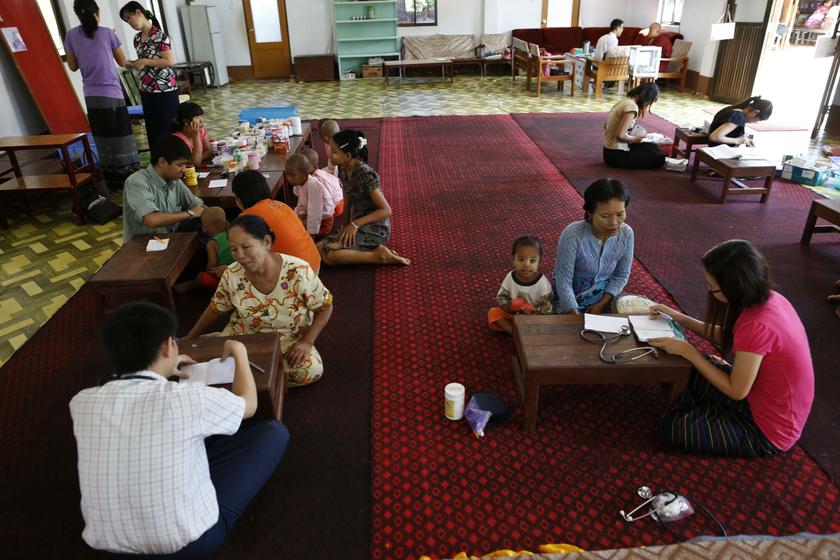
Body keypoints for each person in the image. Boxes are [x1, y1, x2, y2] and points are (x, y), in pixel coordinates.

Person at [70, 301, 288, 557]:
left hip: (110, 547)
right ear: (167, 346)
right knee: (273, 432)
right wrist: (239, 351)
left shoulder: (81, 401)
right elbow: (248, 405)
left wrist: (162, 370)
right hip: (191, 546)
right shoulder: (187, 398)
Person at [650, 240, 815, 457]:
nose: (709, 291)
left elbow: (737, 391)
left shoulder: (759, 325)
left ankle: (703, 409)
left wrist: (688, 350)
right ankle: (701, 406)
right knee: (678, 367)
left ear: (733, 288)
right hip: (756, 391)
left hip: (767, 429)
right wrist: (678, 317)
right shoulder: (770, 299)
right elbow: (731, 337)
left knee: (672, 427)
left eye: (711, 287)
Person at [186, 215, 333, 387]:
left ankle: (248, 378)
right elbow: (216, 308)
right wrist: (191, 336)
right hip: (244, 335)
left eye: (246, 247)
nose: (239, 256)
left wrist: (307, 342)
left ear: (266, 242)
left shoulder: (298, 271)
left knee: (309, 371)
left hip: (288, 338)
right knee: (204, 367)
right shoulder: (231, 274)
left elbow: (325, 307)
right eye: (234, 249)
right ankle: (257, 378)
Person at [64, 0, 139, 190]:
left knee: (103, 136)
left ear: (77, 15)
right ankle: (128, 178)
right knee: (120, 135)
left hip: (91, 96)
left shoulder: (71, 35)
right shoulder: (107, 33)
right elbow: (122, 62)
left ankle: (110, 179)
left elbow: (73, 66)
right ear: (97, 12)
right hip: (112, 94)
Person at [317, 129, 410, 266]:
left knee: (329, 256)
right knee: (318, 248)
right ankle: (373, 251)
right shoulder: (343, 168)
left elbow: (386, 210)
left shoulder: (364, 174)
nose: (330, 155)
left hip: (375, 229)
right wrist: (345, 227)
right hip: (359, 224)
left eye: (334, 152)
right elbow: (347, 200)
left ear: (348, 156)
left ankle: (379, 256)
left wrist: (355, 225)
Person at [553, 178, 634, 314]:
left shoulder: (626, 234)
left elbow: (621, 275)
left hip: (602, 295)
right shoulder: (573, 234)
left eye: (620, 214)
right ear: (590, 214)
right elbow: (563, 280)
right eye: (605, 216)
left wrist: (601, 304)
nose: (614, 223)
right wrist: (573, 314)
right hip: (570, 295)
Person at [231, 170, 322, 272]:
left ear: (239, 199)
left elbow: (245, 255)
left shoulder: (245, 219)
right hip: (314, 263)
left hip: (296, 277)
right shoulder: (280, 205)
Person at [122, 134, 205, 241]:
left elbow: (198, 206)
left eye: (185, 165)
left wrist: (214, 216)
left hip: (168, 237)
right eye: (180, 165)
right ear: (162, 162)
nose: (184, 170)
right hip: (144, 245)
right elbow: (152, 220)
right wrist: (190, 214)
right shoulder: (136, 182)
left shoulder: (174, 180)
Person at [120, 1, 179, 148]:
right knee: (153, 129)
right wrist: (133, 63)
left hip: (164, 89)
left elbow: (168, 61)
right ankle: (159, 164)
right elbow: (145, 61)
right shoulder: (137, 39)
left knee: (168, 128)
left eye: (129, 18)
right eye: (126, 20)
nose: (129, 22)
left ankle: (174, 162)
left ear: (138, 13)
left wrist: (145, 61)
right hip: (147, 89)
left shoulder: (159, 35)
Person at [487, 236, 553, 334]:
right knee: (493, 312)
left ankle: (518, 331)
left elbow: (547, 307)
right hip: (515, 313)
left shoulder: (543, 283)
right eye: (521, 259)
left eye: (532, 261)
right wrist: (510, 307)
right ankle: (515, 333)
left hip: (534, 316)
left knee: (549, 322)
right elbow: (502, 297)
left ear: (539, 261)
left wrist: (531, 317)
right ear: (513, 259)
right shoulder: (510, 277)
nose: (526, 264)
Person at [603, 82, 665, 169]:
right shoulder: (632, 107)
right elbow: (620, 135)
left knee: (652, 147)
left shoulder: (625, 101)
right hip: (615, 155)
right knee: (658, 158)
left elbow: (606, 126)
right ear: (647, 99)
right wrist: (637, 139)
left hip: (608, 150)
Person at [174, 207, 233, 293]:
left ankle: (191, 285)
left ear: (204, 228)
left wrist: (208, 269)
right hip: (242, 275)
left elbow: (211, 267)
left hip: (226, 280)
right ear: (227, 223)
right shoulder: (234, 234)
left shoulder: (212, 243)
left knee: (201, 277)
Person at [286, 153, 344, 237]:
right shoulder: (299, 182)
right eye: (287, 174)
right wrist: (301, 213)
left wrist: (310, 233)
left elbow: (315, 211)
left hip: (324, 216)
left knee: (311, 234)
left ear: (305, 174)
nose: (289, 178)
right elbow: (302, 201)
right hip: (314, 211)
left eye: (292, 175)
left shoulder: (314, 185)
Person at [708, 96, 773, 147]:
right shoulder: (738, 116)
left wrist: (745, 140)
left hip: (716, 149)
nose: (755, 122)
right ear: (755, 112)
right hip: (719, 152)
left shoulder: (734, 110)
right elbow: (715, 137)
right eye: (758, 120)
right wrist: (738, 140)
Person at [172, 101, 211, 167]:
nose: (201, 121)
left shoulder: (200, 130)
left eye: (201, 116)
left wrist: (195, 160)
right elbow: (196, 163)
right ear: (185, 121)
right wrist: (196, 137)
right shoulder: (178, 139)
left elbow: (209, 150)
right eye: (197, 117)